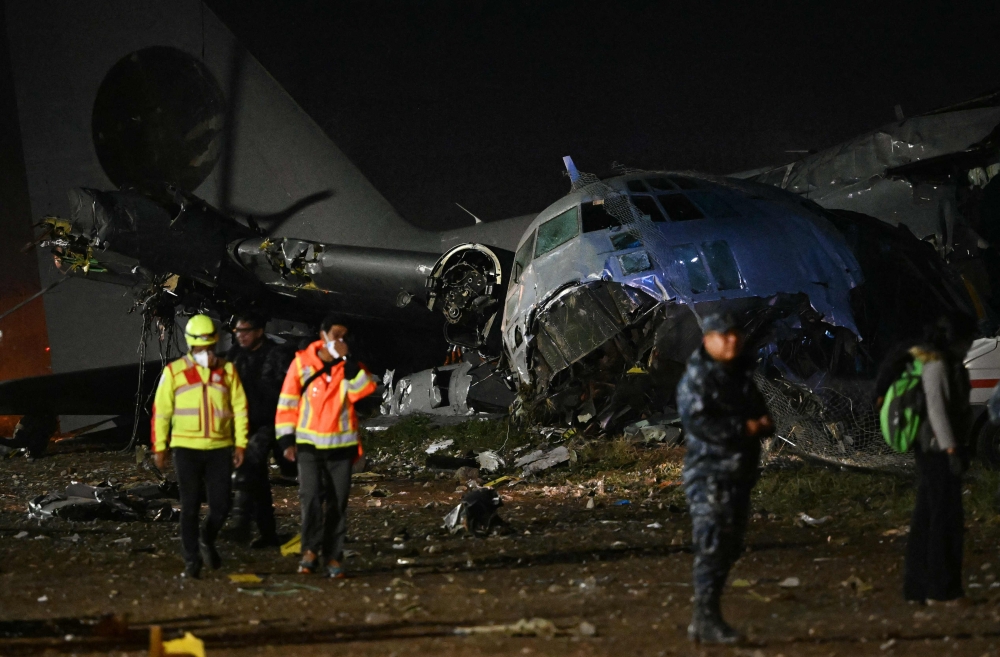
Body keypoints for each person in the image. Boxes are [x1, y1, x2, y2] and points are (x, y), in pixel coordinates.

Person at [676, 313, 773, 644]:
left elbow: (762, 414)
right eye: (723, 335)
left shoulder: (739, 374)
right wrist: (743, 427)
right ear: (708, 340)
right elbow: (700, 423)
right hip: (710, 474)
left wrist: (758, 424)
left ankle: (706, 617)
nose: (732, 341)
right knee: (713, 545)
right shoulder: (699, 378)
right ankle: (705, 618)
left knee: (729, 546)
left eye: (735, 335)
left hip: (738, 472)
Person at [275, 316, 376, 578]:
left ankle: (333, 557)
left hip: (341, 447)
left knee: (337, 504)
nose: (340, 340)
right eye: (336, 334)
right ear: (323, 334)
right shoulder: (302, 363)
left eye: (344, 336)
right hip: (308, 445)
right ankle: (309, 550)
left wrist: (348, 361)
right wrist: (286, 440)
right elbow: (287, 403)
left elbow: (364, 390)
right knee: (310, 499)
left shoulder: (349, 367)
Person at [153, 314, 248, 578]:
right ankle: (191, 562)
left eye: (209, 345)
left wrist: (240, 444)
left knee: (221, 506)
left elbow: (240, 409)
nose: (205, 351)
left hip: (219, 447)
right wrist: (160, 447)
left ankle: (207, 537)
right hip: (186, 448)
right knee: (190, 506)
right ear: (190, 345)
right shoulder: (173, 372)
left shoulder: (227, 371)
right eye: (200, 346)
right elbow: (162, 411)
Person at [903, 316, 973, 605]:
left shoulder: (936, 362)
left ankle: (917, 588)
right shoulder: (938, 365)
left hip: (932, 450)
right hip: (937, 451)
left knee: (926, 517)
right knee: (945, 520)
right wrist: (952, 450)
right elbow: (937, 411)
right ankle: (942, 590)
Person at [223, 311, 293, 548]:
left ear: (259, 331)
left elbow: (288, 391)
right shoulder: (235, 356)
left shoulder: (277, 355)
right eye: (237, 332)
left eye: (245, 331)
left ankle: (241, 524)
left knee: (249, 465)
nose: (240, 336)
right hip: (245, 423)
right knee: (257, 479)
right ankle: (267, 533)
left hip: (272, 422)